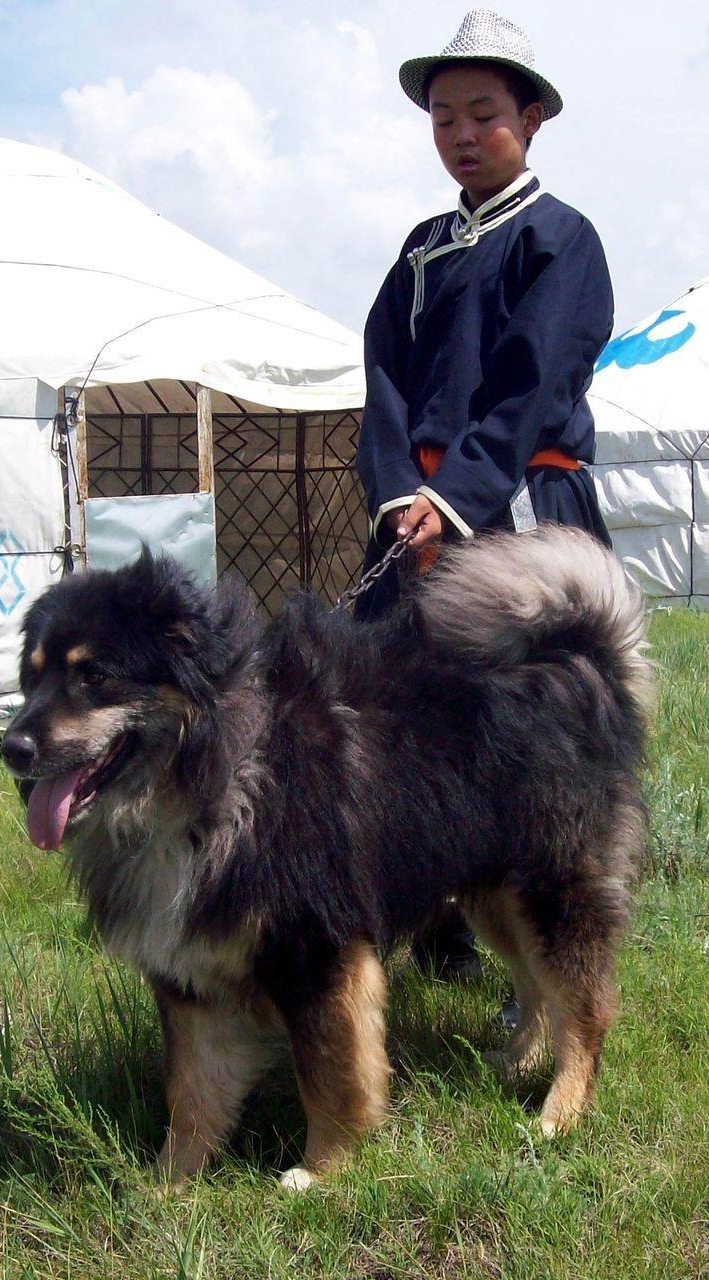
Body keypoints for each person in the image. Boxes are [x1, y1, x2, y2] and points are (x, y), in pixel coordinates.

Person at [353, 9, 614, 980]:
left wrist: (455, 496)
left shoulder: (560, 239)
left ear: (531, 117)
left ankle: (546, 961)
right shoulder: (422, 250)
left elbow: (532, 382)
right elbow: (383, 376)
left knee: (532, 741)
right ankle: (433, 915)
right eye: (444, 119)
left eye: (483, 114)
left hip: (518, 510)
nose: (461, 135)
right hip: (415, 515)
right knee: (395, 713)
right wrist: (398, 493)